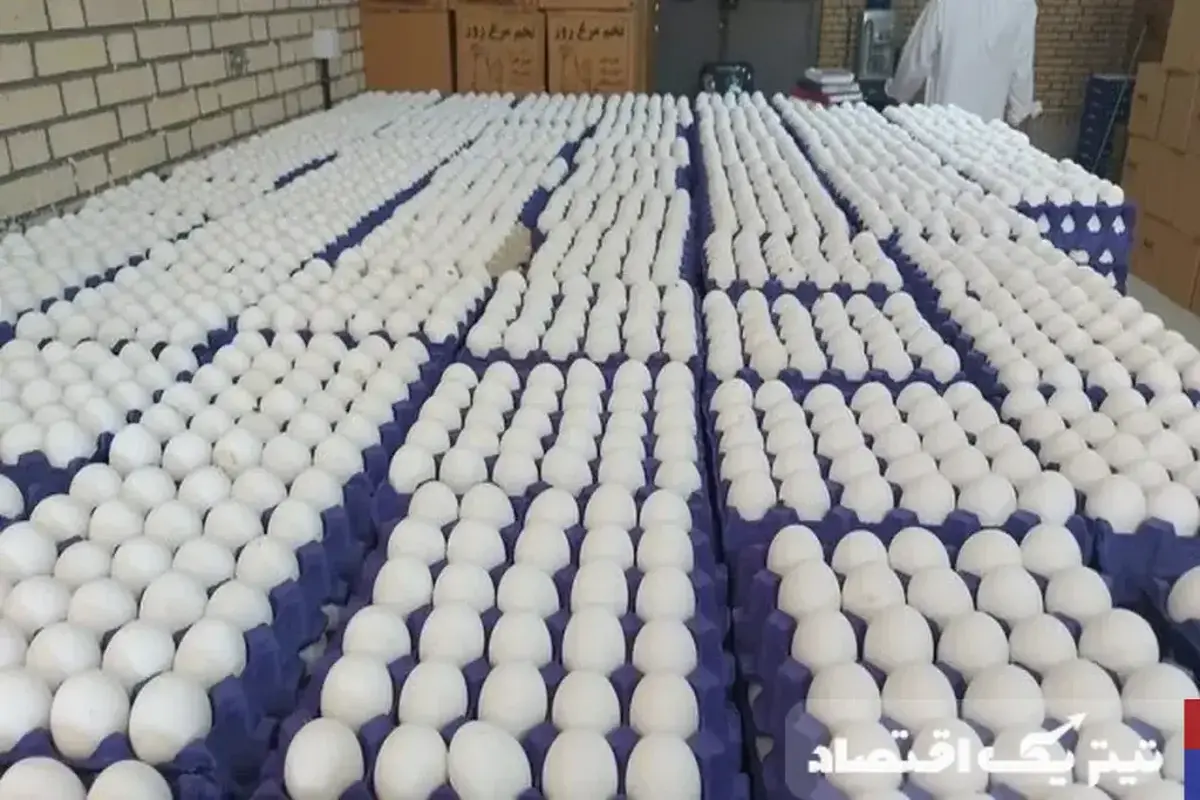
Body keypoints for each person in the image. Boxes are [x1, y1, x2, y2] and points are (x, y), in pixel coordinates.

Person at [885, 0, 1042, 126]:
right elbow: (1022, 67)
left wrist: (900, 92)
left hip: (943, 121)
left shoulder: (945, 3)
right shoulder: (1023, 6)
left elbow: (918, 57)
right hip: (989, 125)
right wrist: (1019, 111)